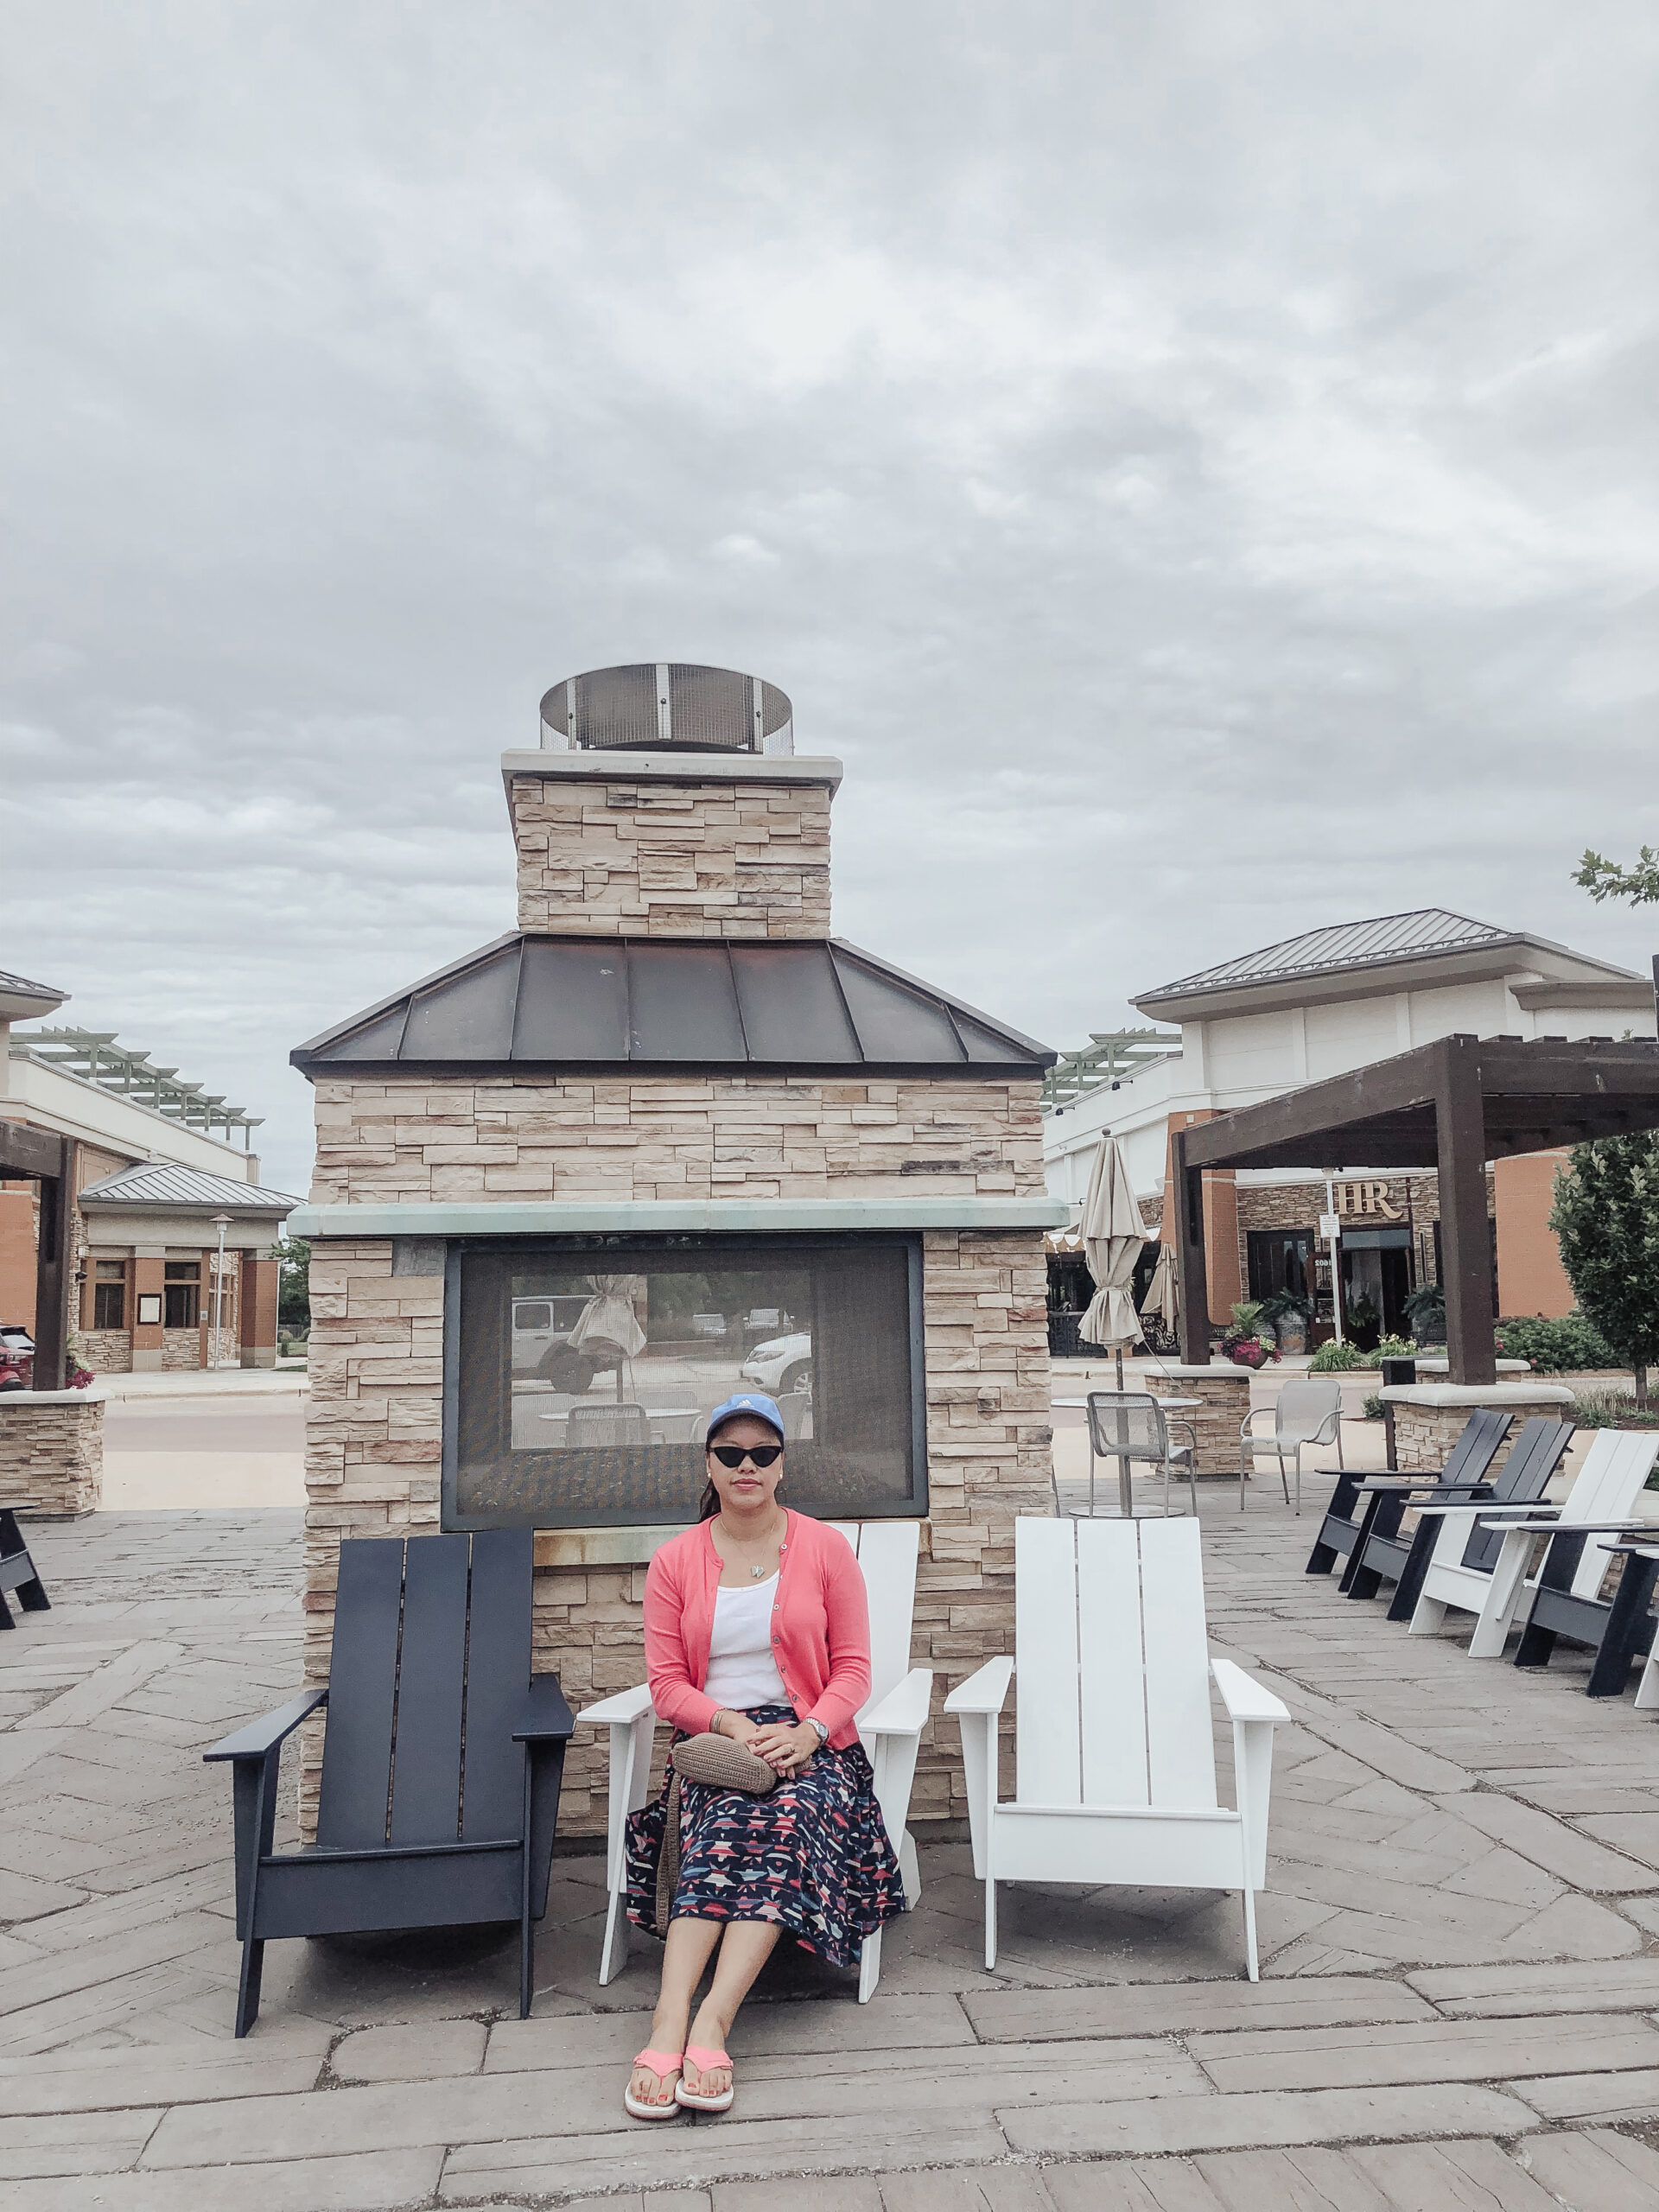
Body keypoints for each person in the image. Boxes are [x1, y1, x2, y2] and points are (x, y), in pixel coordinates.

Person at [622, 1390, 906, 2120]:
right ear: (709, 1465)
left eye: (763, 1453)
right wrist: (729, 1724)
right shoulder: (674, 1561)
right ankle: (668, 2018)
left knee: (787, 1816)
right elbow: (665, 1686)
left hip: (814, 1743)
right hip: (718, 1743)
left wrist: (809, 1731)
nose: (747, 1466)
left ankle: (714, 2020)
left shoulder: (824, 1548)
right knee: (720, 1826)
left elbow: (853, 1670)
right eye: (731, 1454)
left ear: (782, 1464)